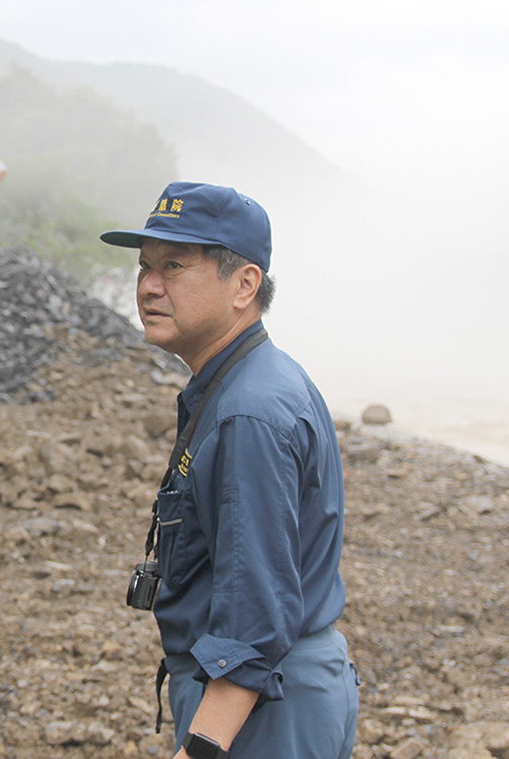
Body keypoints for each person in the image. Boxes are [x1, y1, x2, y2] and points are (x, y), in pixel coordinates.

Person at [99, 182, 357, 759]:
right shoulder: (251, 379)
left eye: (175, 266)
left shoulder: (248, 412)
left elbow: (255, 611)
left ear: (245, 284)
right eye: (144, 267)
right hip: (280, 689)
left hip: (262, 706)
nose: (148, 286)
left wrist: (204, 747)